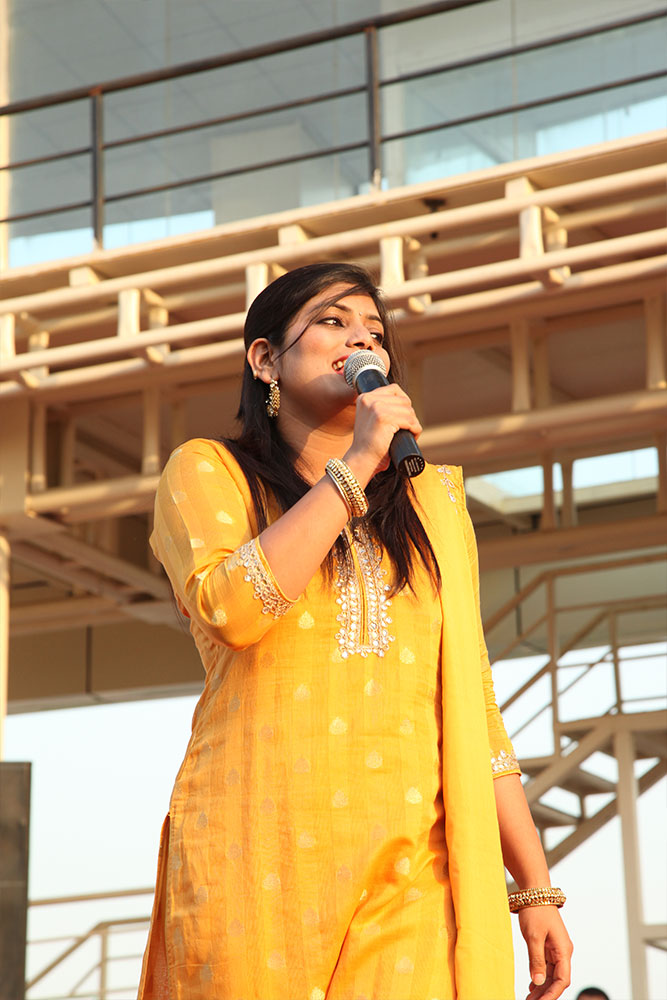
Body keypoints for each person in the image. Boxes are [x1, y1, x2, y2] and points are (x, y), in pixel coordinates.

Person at [138, 262, 573, 1000]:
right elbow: (232, 610)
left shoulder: (431, 506)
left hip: (415, 867)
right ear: (265, 359)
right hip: (256, 852)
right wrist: (357, 462)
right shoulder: (209, 471)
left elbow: (472, 704)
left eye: (374, 331)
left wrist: (534, 888)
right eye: (333, 322)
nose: (361, 340)